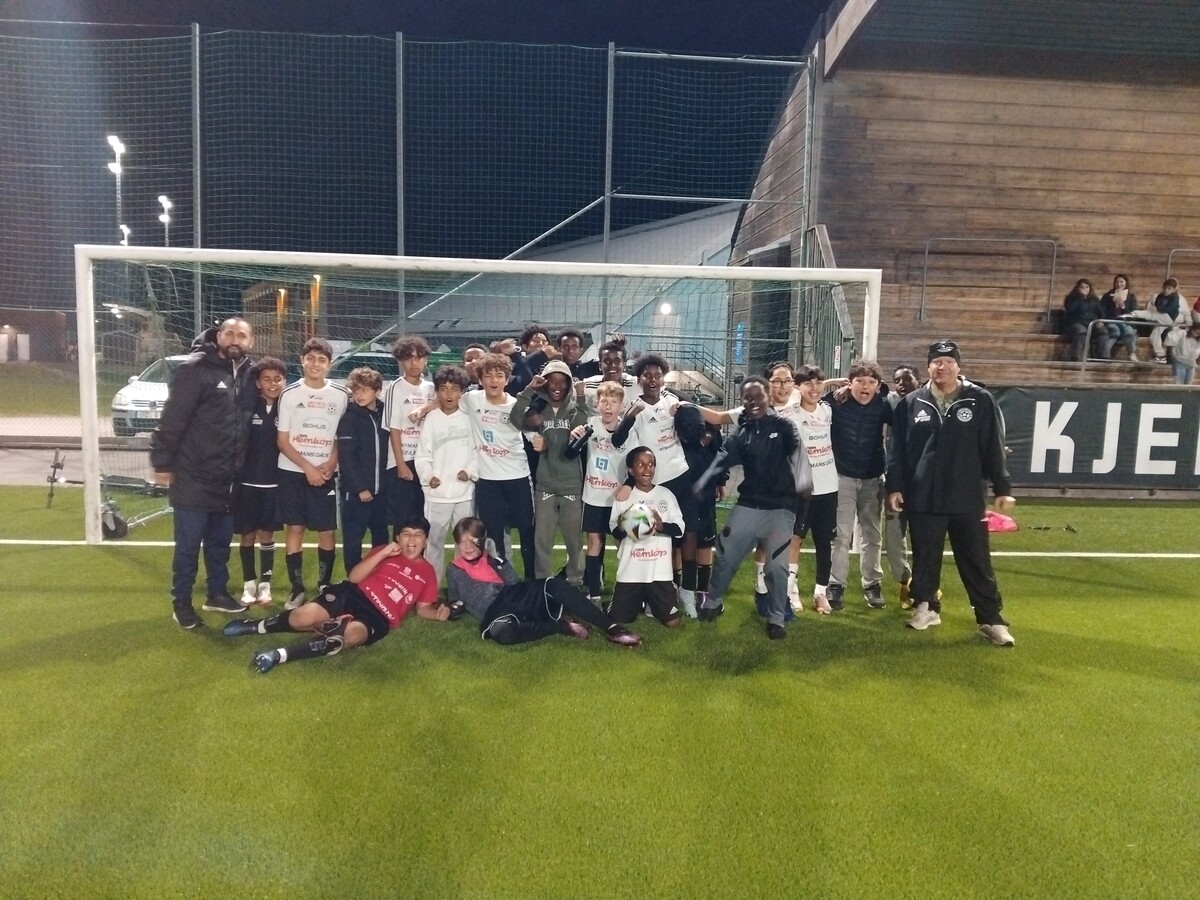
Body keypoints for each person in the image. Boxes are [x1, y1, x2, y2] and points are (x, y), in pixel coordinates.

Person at [886, 340, 1016, 647]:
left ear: (958, 366)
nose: (941, 367)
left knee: (976, 559)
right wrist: (895, 486)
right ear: (928, 367)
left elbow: (993, 446)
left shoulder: (979, 399)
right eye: (936, 362)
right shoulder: (911, 403)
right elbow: (897, 450)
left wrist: (1002, 486)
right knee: (925, 556)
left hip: (966, 495)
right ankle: (926, 606)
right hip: (923, 495)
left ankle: (990, 619)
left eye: (947, 361)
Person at [222, 515, 448, 673]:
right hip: (353, 593)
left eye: (418, 535)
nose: (411, 540)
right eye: (406, 534)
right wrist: (384, 553)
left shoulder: (428, 572)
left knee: (350, 637)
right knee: (301, 618)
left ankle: (277, 655)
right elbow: (355, 577)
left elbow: (423, 608)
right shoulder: (384, 551)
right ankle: (256, 626)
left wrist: (437, 614)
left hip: (378, 616)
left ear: (426, 541)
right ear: (398, 538)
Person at [150, 317, 255, 629]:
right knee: (187, 548)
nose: (235, 339)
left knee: (219, 544)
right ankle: (181, 603)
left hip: (228, 479)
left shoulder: (249, 373)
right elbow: (172, 419)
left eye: (242, 335)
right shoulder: (195, 369)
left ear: (250, 342)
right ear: (218, 336)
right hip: (193, 476)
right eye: (229, 333)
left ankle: (217, 594)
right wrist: (162, 463)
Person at [692, 376, 806, 640]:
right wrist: (703, 482)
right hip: (749, 505)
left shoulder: (785, 427)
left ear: (768, 396)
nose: (753, 402)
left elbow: (801, 463)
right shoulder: (742, 432)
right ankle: (713, 602)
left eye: (758, 396)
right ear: (742, 401)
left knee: (777, 567)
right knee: (725, 554)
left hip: (781, 508)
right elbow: (723, 458)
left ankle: (776, 617)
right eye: (748, 397)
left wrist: (804, 496)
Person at [446, 517, 642, 647]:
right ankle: (560, 626)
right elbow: (455, 600)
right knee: (501, 633)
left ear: (482, 541)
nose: (467, 547)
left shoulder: (494, 560)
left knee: (554, 584)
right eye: (462, 542)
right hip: (494, 611)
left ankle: (611, 628)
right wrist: (451, 609)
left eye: (473, 541)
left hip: (512, 596)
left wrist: (496, 560)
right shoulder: (454, 569)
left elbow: (513, 583)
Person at [277, 338, 349, 609]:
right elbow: (282, 441)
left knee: (327, 529)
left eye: (321, 360)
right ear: (302, 361)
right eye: (311, 358)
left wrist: (332, 462)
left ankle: (323, 584)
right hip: (293, 471)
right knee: (295, 528)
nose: (315, 364)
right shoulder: (289, 394)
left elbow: (342, 436)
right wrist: (307, 467)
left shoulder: (341, 395)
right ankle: (296, 589)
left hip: (326, 472)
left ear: (329, 364)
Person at [511, 360, 589, 586]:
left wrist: (581, 397)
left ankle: (575, 580)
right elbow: (515, 419)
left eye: (562, 382)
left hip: (571, 484)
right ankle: (543, 582)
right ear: (545, 383)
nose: (557, 386)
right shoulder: (538, 410)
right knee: (542, 539)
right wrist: (529, 390)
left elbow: (581, 422)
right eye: (552, 381)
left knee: (574, 539)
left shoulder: (573, 408)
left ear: (568, 385)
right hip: (545, 484)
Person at [461, 352, 538, 578]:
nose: (493, 380)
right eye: (488, 375)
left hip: (518, 478)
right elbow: (447, 400)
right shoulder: (471, 400)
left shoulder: (516, 406)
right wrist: (423, 409)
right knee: (493, 535)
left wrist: (538, 440)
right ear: (480, 379)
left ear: (506, 379)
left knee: (526, 530)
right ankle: (503, 580)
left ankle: (531, 580)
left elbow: (532, 434)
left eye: (499, 375)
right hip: (487, 480)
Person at [825, 359, 892, 611]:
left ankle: (872, 584)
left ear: (878, 386)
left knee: (872, 535)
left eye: (871, 382)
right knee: (840, 536)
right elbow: (803, 392)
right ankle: (835, 584)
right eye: (860, 381)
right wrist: (832, 384)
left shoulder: (883, 405)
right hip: (842, 477)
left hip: (873, 479)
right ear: (849, 383)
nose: (865, 386)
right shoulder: (836, 402)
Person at [413, 364, 478, 586]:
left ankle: (463, 587)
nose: (449, 394)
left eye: (454, 389)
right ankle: (432, 587)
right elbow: (422, 455)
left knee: (465, 542)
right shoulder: (431, 419)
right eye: (443, 389)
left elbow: (477, 452)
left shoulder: (469, 418)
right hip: (437, 495)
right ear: (437, 392)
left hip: (464, 494)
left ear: (462, 392)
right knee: (434, 542)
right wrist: (429, 476)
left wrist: (469, 472)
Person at [607, 447, 685, 628]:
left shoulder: (665, 495)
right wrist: (627, 523)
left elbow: (680, 529)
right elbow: (614, 531)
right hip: (630, 572)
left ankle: (651, 600)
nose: (647, 469)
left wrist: (661, 526)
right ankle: (638, 601)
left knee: (673, 622)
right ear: (631, 470)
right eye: (640, 464)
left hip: (659, 573)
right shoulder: (623, 497)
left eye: (651, 464)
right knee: (618, 621)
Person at [569, 379, 628, 604]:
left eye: (613, 402)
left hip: (618, 499)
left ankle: (625, 592)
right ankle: (593, 593)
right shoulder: (591, 425)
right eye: (604, 401)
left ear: (621, 406)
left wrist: (628, 486)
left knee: (623, 545)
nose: (608, 406)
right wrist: (575, 433)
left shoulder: (628, 430)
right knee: (594, 543)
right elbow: (573, 447)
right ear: (597, 404)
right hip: (594, 496)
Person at [235, 356, 287, 607]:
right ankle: (249, 584)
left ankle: (265, 585)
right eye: (266, 379)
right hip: (247, 484)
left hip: (274, 485)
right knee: (247, 535)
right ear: (258, 383)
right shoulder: (248, 407)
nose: (272, 384)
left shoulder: (287, 408)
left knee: (267, 535)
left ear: (284, 381)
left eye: (277, 379)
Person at [336, 366, 390, 573]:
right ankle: (353, 579)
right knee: (353, 539)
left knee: (381, 538)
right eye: (356, 390)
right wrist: (360, 488)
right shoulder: (349, 417)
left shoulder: (385, 412)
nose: (359, 395)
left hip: (381, 491)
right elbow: (347, 457)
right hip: (356, 493)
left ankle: (381, 578)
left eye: (365, 390)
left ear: (377, 391)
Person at [384, 335, 436, 530]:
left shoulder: (431, 389)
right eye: (408, 359)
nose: (414, 363)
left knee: (422, 520)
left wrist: (424, 409)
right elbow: (394, 428)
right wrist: (400, 465)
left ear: (425, 359)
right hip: (403, 461)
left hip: (425, 461)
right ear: (400, 361)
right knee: (403, 521)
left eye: (418, 358)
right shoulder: (395, 387)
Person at [883, 364, 919, 608]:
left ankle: (924, 585)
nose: (902, 384)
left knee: (924, 536)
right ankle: (905, 582)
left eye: (907, 379)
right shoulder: (890, 403)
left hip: (924, 482)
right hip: (896, 481)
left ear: (919, 381)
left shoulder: (930, 402)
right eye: (897, 380)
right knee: (894, 535)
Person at [1127, 278, 1188, 364]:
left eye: (1169, 289)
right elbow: (1156, 305)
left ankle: (1133, 314)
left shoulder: (1175, 297)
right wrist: (1159, 308)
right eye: (1165, 288)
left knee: (1154, 317)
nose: (1166, 290)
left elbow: (1171, 309)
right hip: (1160, 320)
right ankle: (1161, 355)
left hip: (1170, 320)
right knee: (1154, 336)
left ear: (1174, 289)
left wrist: (1161, 309)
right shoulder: (1159, 296)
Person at [1062, 278, 1104, 362]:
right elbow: (1070, 310)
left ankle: (1102, 357)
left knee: (1103, 332)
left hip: (1091, 323)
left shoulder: (1094, 300)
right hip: (1077, 323)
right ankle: (1076, 357)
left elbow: (1101, 313)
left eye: (1087, 287)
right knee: (1081, 332)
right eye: (1082, 287)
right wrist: (1080, 297)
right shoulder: (1071, 298)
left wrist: (1100, 321)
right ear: (1077, 288)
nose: (1084, 289)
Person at [1099, 275, 1138, 361]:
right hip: (1111, 321)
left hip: (1125, 321)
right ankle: (1103, 354)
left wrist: (1123, 306)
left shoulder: (1131, 297)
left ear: (1126, 283)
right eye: (1117, 282)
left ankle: (1131, 353)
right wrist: (1114, 305)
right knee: (1115, 330)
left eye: (1121, 282)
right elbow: (1102, 311)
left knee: (1128, 331)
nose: (1119, 284)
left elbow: (1132, 313)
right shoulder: (1107, 296)